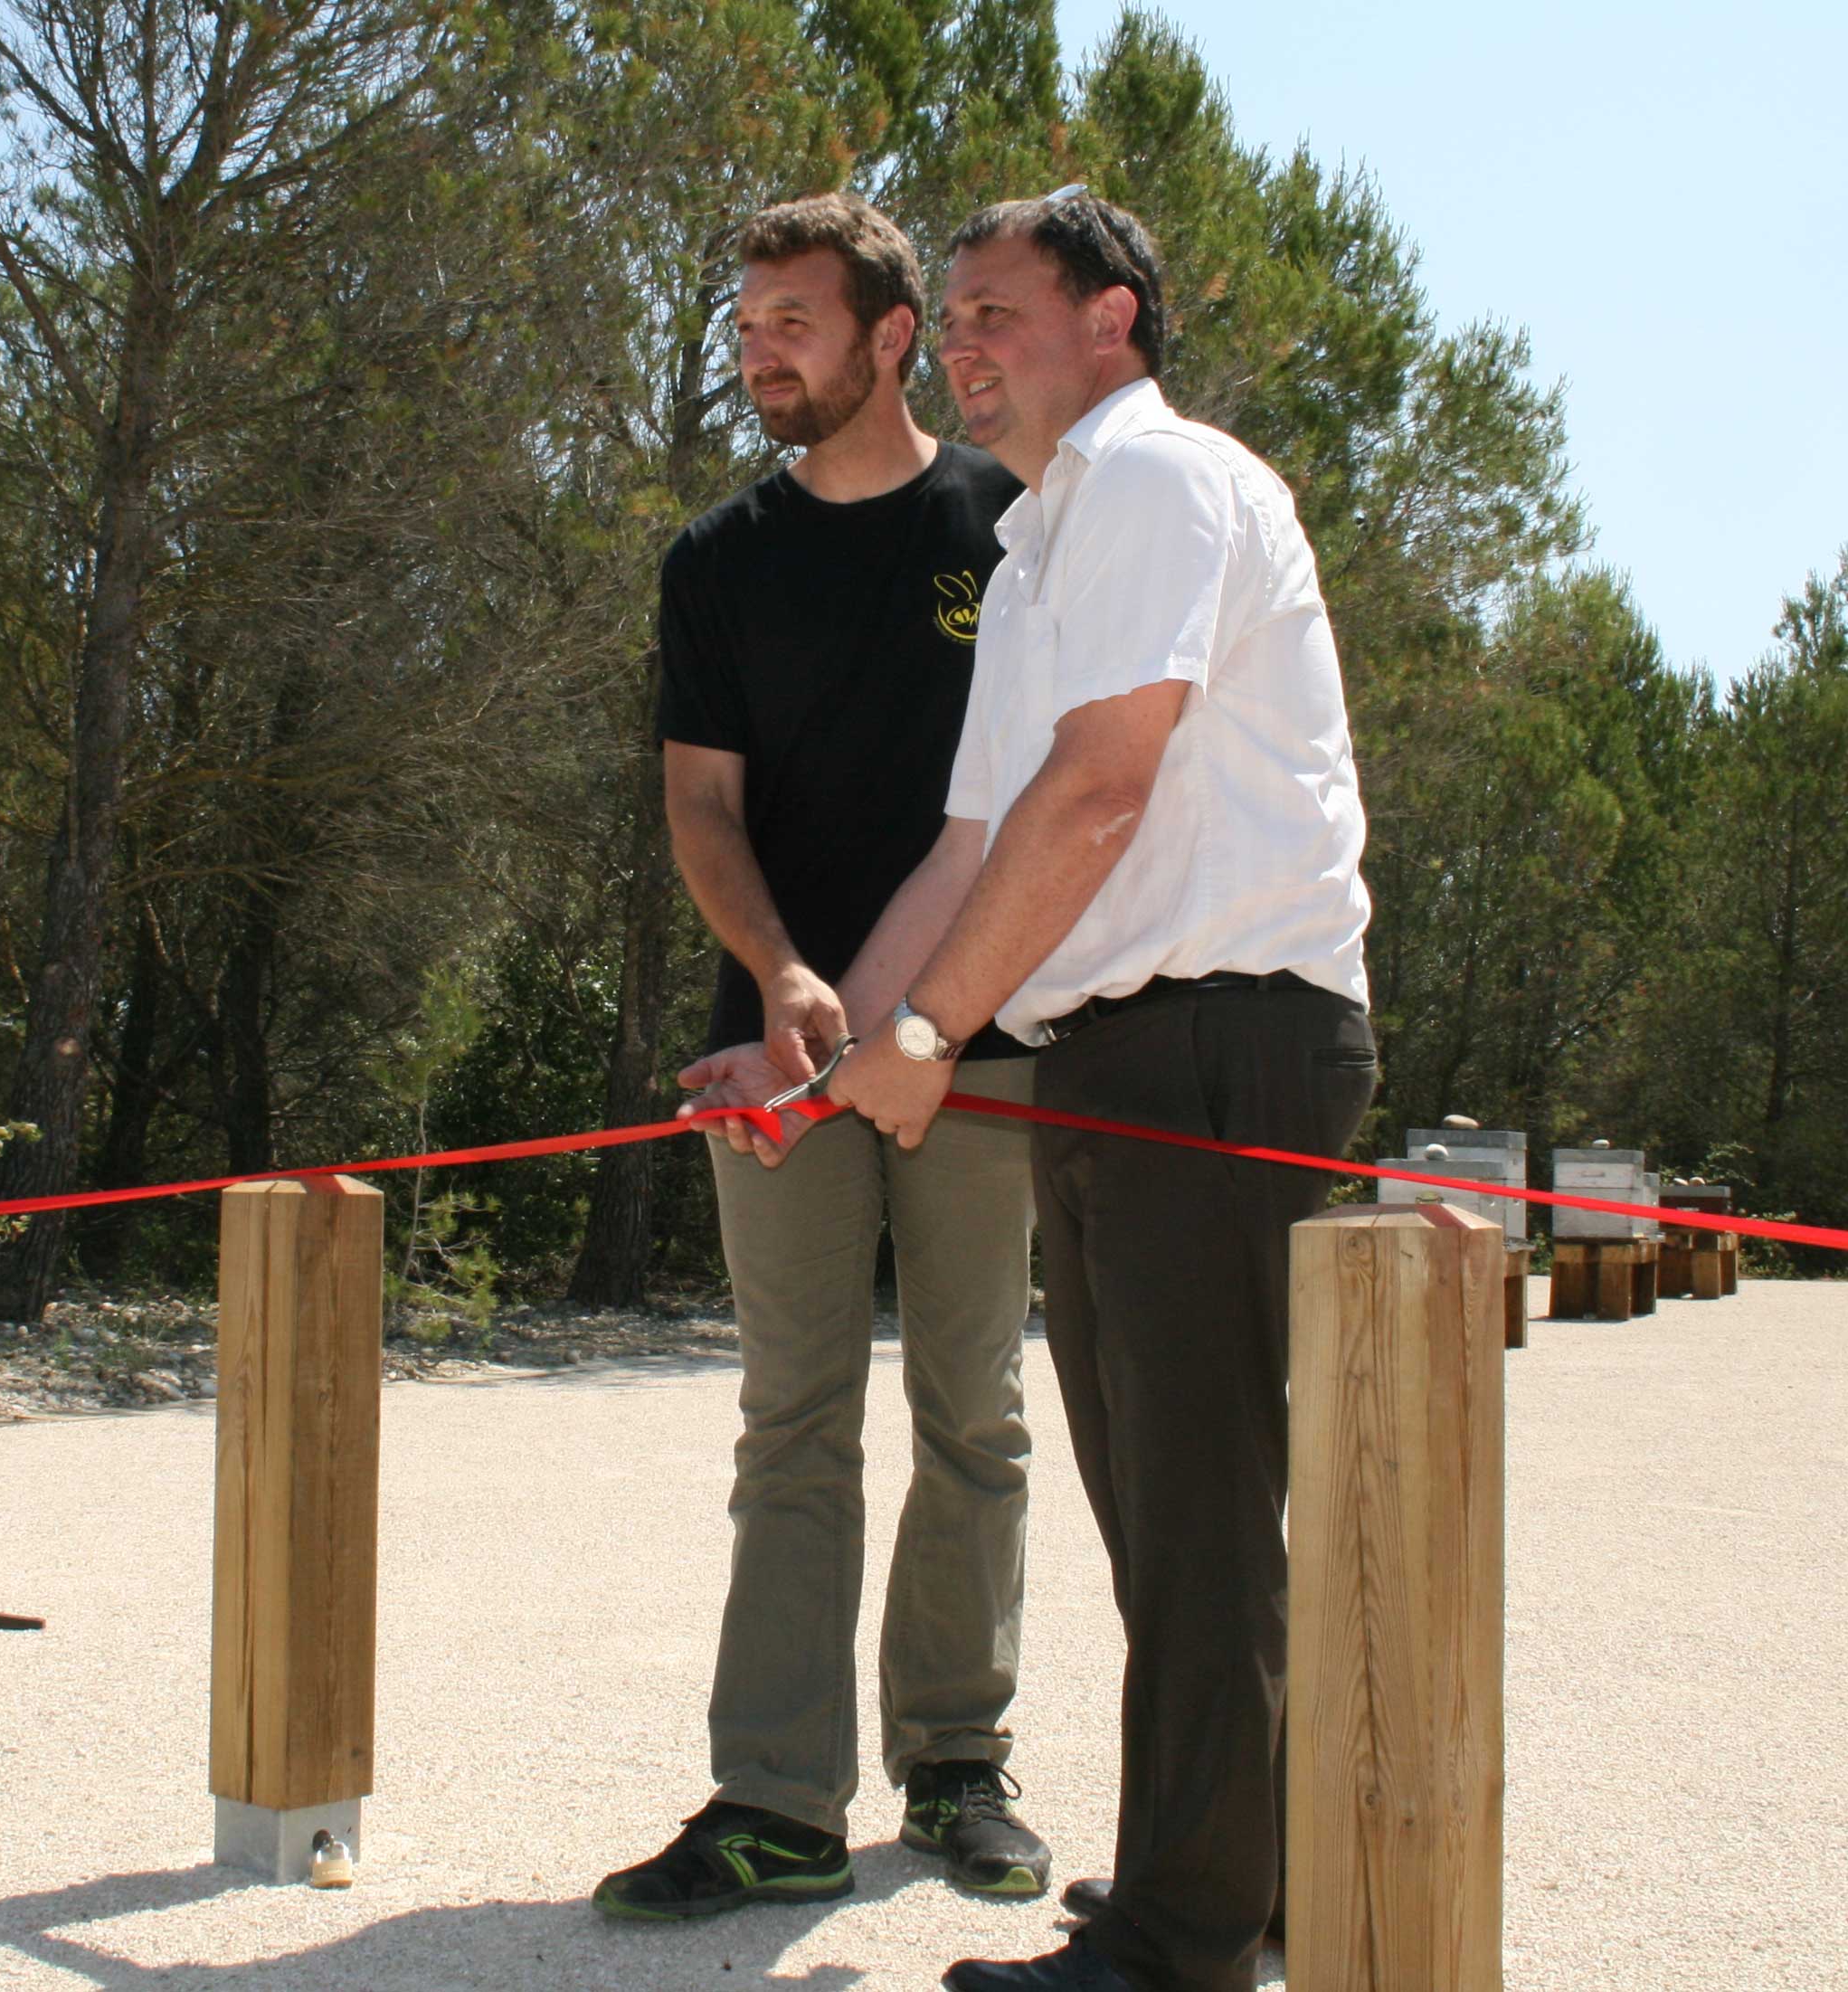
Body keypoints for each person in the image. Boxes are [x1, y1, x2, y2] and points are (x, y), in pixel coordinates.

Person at [823, 189, 1376, 1992]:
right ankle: (1242, 1884)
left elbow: (1099, 790)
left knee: (1198, 1509)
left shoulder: (1157, 481)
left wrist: (929, 1040)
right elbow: (969, 846)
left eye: (996, 310)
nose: (961, 346)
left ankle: (1181, 1941)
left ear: (1114, 317)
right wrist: (828, 1048)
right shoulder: (1032, 552)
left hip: (1222, 1033)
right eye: (954, 318)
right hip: (1115, 1051)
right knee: (1160, 1507)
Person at [591, 192, 1051, 1926]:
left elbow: (1050, 799)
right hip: (772, 1060)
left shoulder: (1013, 522)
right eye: (746, 324)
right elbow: (698, 806)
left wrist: (931, 1008)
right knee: (791, 1418)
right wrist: (780, 970)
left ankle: (957, 1765)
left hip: (980, 1034)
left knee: (973, 1408)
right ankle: (777, 1800)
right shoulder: (716, 561)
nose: (759, 351)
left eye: (793, 319)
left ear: (890, 335)